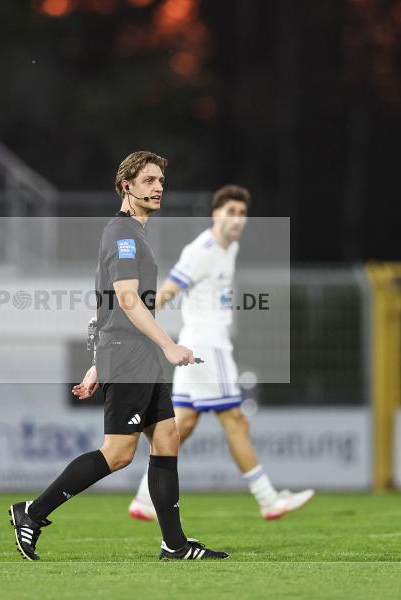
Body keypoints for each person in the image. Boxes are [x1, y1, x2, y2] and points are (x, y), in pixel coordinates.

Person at [9, 151, 229, 561]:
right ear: (126, 186)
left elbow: (105, 307)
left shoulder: (134, 234)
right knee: (118, 453)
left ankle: (175, 545)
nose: (158, 187)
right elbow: (127, 300)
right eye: (148, 180)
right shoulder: (122, 233)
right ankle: (32, 513)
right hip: (129, 355)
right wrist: (167, 344)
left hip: (133, 354)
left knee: (167, 439)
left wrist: (97, 362)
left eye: (160, 180)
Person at [126, 184, 315, 521]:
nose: (237, 219)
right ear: (216, 215)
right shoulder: (203, 249)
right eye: (231, 212)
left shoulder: (231, 247)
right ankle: (268, 499)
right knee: (235, 421)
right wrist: (138, 323)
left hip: (199, 344)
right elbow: (169, 290)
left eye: (242, 214)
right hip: (207, 347)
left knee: (181, 426)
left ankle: (144, 498)